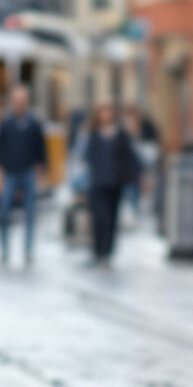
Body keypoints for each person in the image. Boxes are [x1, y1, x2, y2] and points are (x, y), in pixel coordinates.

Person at [0, 86, 51, 266]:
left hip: (28, 171)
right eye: (17, 101)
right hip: (9, 172)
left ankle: (28, 251)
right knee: (3, 212)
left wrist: (42, 165)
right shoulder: (5, 123)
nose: (19, 104)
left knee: (30, 213)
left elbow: (41, 146)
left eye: (22, 101)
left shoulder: (34, 123)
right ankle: (4, 250)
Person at [78, 102, 141, 265]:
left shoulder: (120, 134)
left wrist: (136, 175)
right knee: (100, 217)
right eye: (102, 112)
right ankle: (98, 250)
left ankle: (108, 251)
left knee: (112, 217)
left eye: (108, 112)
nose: (106, 115)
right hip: (98, 182)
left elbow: (130, 156)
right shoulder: (92, 134)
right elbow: (84, 156)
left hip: (115, 182)